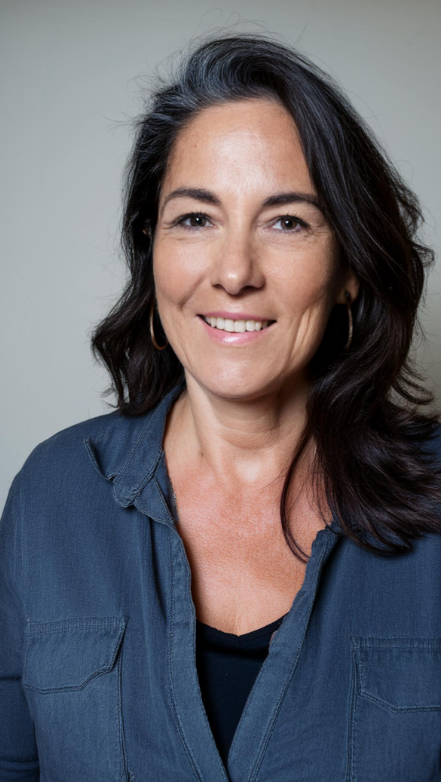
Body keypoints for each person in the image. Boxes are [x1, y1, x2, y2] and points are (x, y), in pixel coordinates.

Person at [1, 31, 441, 782]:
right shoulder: (53, 493)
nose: (235, 272)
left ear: (349, 268)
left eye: (287, 221)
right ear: (152, 249)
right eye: (196, 218)